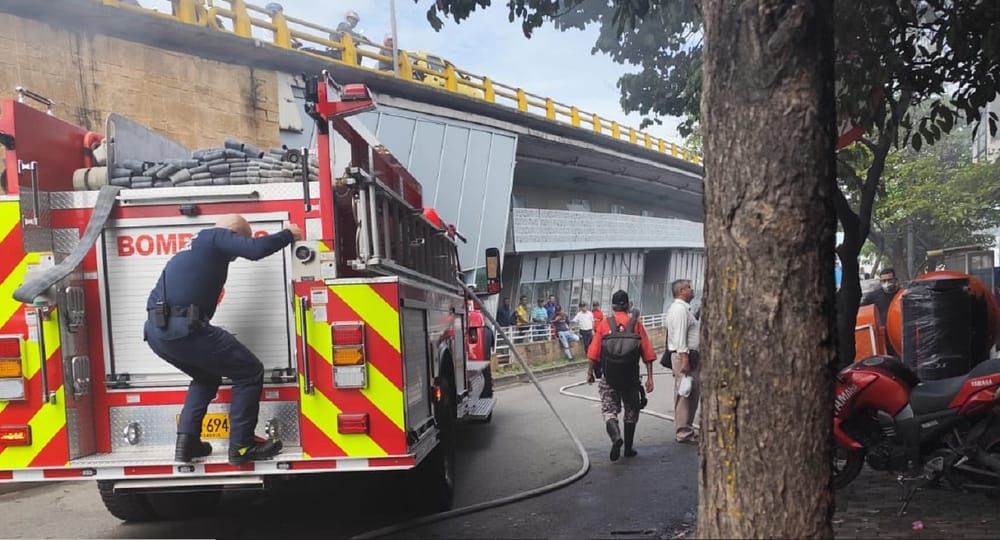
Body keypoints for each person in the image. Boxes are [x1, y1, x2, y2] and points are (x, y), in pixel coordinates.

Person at [144, 214, 303, 465]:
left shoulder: (195, 245)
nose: (235, 254)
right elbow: (255, 250)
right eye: (236, 246)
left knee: (206, 376)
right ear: (233, 234)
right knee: (249, 371)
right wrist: (289, 235)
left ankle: (187, 444)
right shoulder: (215, 236)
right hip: (185, 329)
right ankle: (242, 446)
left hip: (157, 333)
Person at [587, 290, 656, 461]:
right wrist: (650, 378)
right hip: (631, 378)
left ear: (612, 306)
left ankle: (616, 437)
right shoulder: (636, 324)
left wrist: (589, 372)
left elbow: (593, 353)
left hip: (608, 377)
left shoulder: (604, 324)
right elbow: (647, 353)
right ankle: (629, 448)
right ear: (627, 305)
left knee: (609, 411)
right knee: (631, 410)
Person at [666, 279, 700, 444]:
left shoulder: (685, 309)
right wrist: (685, 359)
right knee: (685, 393)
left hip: (690, 356)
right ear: (681, 291)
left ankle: (687, 427)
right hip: (684, 357)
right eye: (689, 287)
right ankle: (683, 431)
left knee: (691, 392)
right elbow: (680, 337)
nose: (692, 290)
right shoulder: (680, 310)